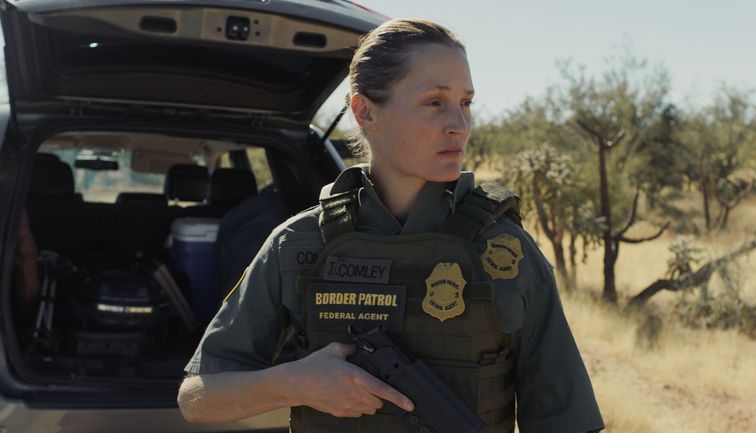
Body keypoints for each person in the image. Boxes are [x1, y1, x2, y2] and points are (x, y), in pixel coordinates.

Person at [177, 18, 604, 433]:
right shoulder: (298, 243)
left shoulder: (506, 254)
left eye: (466, 103)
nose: (460, 126)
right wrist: (296, 383)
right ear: (364, 111)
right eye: (434, 102)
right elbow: (196, 399)